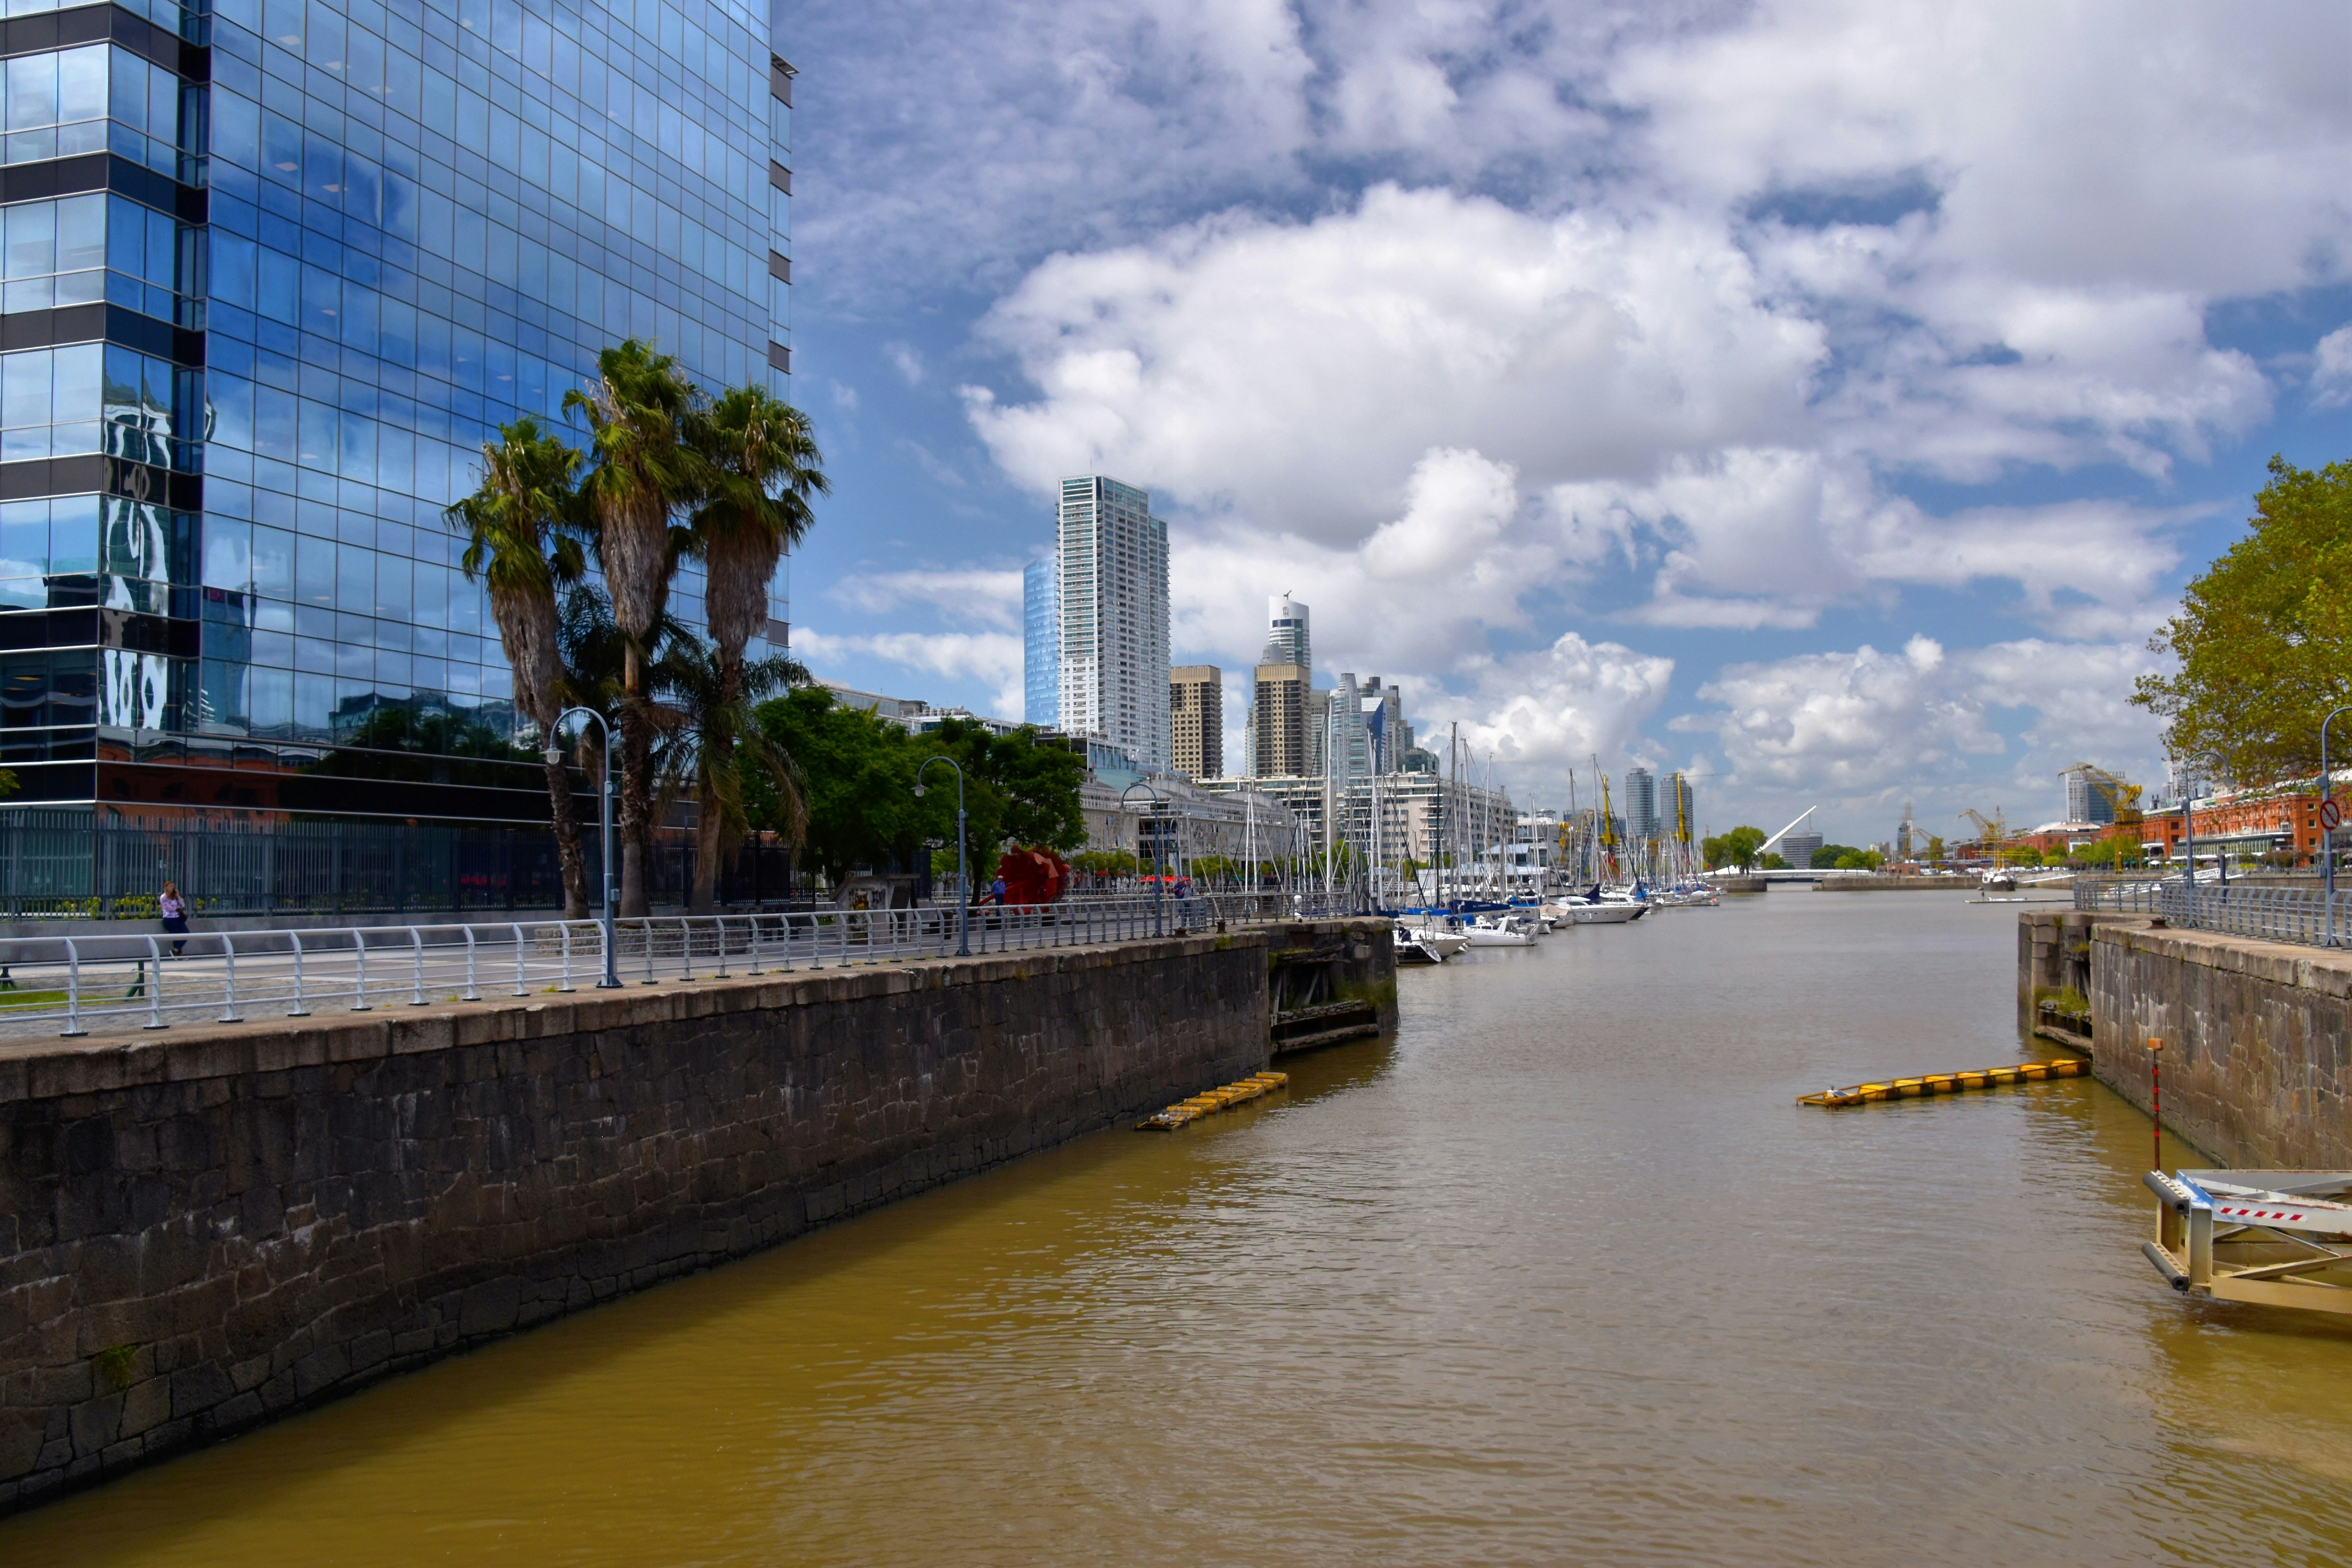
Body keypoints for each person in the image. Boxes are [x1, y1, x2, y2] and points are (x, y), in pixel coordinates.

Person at [159, 880, 189, 956]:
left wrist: (178, 896)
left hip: (177, 918)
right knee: (176, 936)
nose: (172, 888)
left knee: (186, 933)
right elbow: (168, 908)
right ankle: (179, 954)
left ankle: (175, 951)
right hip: (169, 919)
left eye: (173, 886)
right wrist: (177, 908)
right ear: (166, 888)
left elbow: (182, 905)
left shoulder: (175, 896)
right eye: (170, 886)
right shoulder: (164, 897)